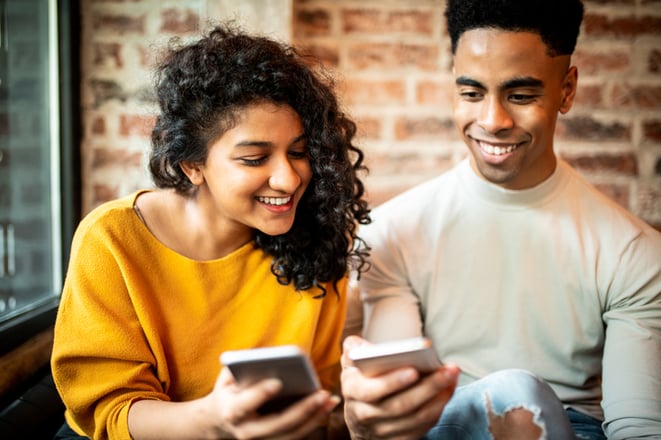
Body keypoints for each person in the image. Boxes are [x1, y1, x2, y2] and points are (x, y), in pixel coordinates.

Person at [340, 0, 661, 438]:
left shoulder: (632, 252)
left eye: (521, 95)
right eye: (471, 93)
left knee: (519, 393)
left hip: (571, 428)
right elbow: (401, 403)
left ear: (566, 91)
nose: (492, 121)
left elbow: (639, 428)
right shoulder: (393, 231)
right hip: (444, 425)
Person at [51, 22, 371, 440]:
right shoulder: (112, 239)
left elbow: (321, 395)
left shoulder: (317, 237)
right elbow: (110, 410)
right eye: (255, 159)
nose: (289, 180)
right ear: (193, 166)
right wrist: (212, 420)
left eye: (298, 152)